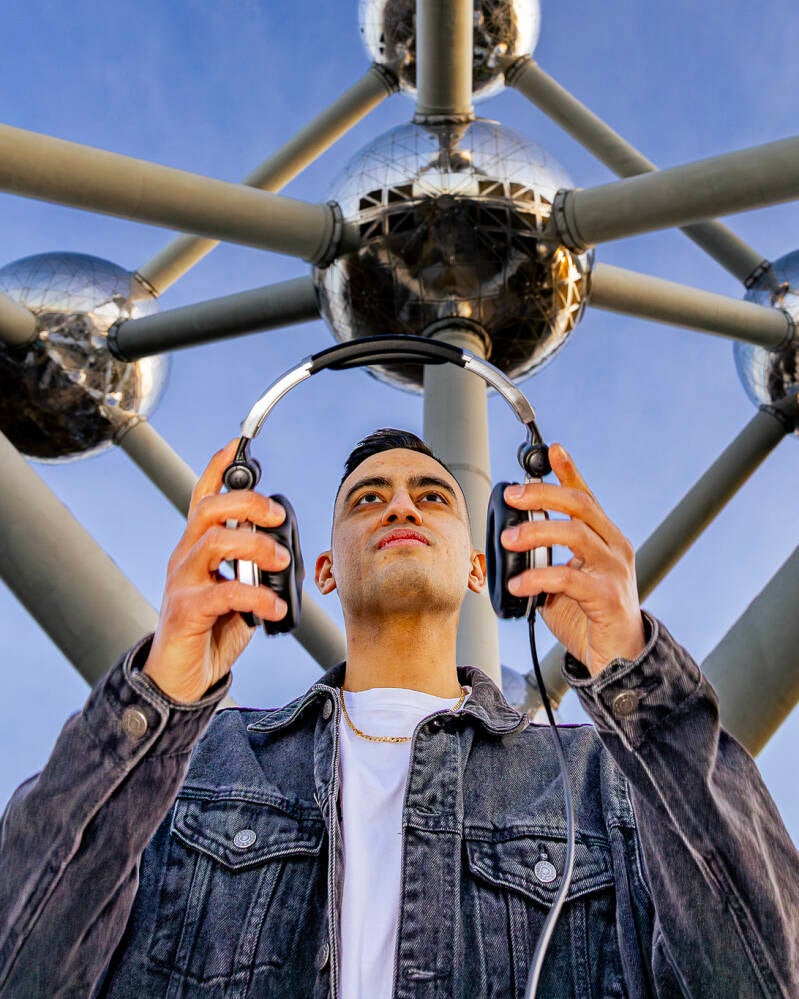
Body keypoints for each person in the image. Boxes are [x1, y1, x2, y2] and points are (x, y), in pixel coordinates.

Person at [0, 428, 797, 998]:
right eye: (368, 499)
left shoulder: (599, 780)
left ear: (483, 566)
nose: (400, 509)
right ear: (317, 570)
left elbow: (766, 976)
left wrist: (637, 678)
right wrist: (158, 696)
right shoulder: (195, 766)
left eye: (432, 496)